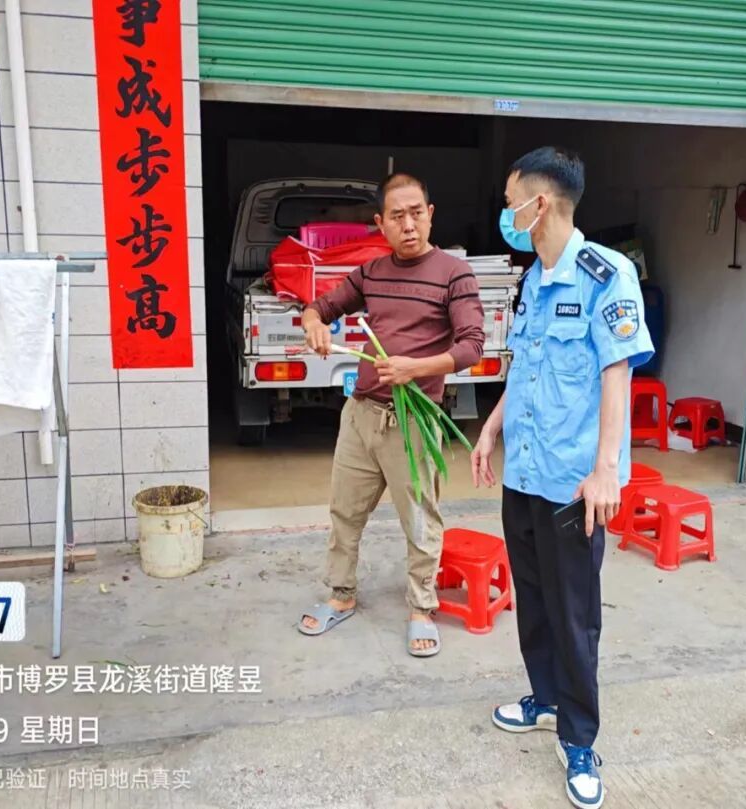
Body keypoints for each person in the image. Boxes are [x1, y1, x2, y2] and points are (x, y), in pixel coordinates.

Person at [471, 148, 653, 809]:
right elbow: (524, 369)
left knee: (575, 615)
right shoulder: (532, 278)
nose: (507, 213)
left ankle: (579, 737)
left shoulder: (607, 275)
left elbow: (616, 372)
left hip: (575, 485)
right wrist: (491, 428)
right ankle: (545, 698)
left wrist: (605, 469)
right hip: (525, 472)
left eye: (510, 201)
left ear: (538, 204)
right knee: (535, 598)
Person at [297, 173, 485, 657]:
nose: (409, 225)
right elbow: (319, 307)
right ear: (380, 223)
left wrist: (414, 368)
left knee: (420, 520)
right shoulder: (372, 273)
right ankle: (340, 594)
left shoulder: (454, 273)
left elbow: (472, 347)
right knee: (344, 512)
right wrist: (314, 325)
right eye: (397, 216)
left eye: (416, 213)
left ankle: (421, 607)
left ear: (430, 214)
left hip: (414, 420)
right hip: (361, 415)